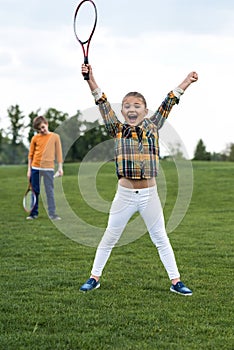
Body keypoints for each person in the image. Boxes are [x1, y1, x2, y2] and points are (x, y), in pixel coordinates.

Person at [79, 63, 198, 295]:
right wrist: (90, 78)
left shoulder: (154, 126)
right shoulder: (117, 129)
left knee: (160, 238)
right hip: (124, 195)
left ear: (144, 110)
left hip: (149, 195)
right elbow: (101, 102)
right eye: (126, 106)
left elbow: (169, 101)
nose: (131, 109)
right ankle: (94, 277)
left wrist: (186, 81)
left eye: (137, 105)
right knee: (109, 237)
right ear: (123, 112)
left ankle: (176, 282)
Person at [26, 115, 63, 220]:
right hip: (35, 168)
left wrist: (60, 168)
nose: (42, 130)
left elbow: (59, 154)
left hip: (49, 169)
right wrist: (29, 169)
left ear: (46, 124)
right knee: (35, 191)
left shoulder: (55, 137)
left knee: (49, 191)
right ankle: (33, 214)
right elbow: (31, 155)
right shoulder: (35, 138)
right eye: (39, 129)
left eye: (42, 127)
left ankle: (52, 214)